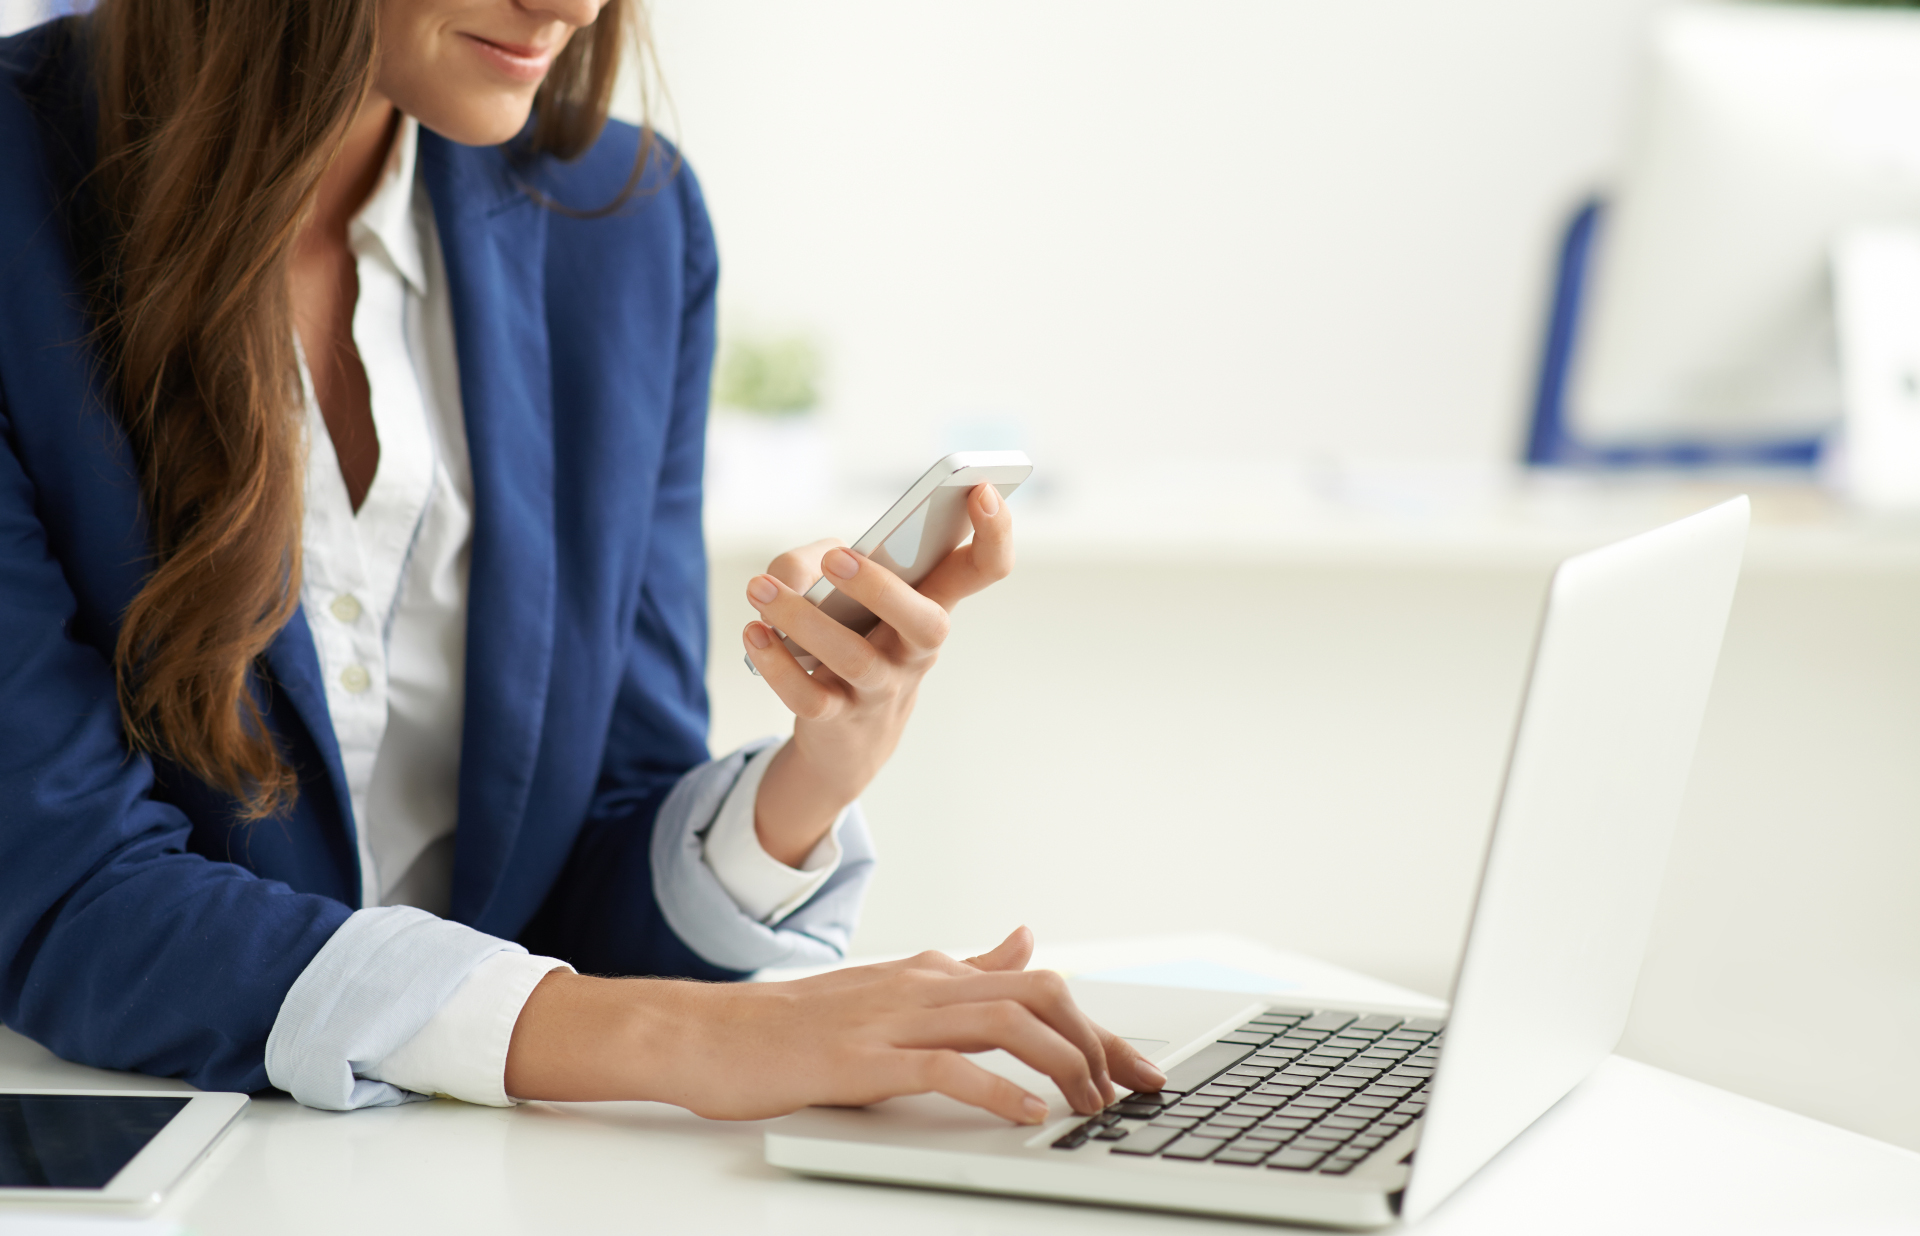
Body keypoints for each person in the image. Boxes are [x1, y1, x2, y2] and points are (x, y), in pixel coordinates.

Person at [0, 0, 1162, 1123]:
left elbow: (591, 873)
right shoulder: (21, 182)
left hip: (478, 1187)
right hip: (115, 1171)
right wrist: (688, 1039)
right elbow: (67, 892)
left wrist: (812, 775)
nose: (572, 5)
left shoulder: (622, 222)